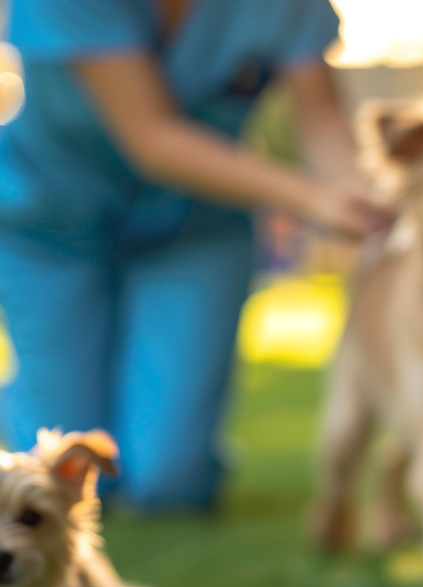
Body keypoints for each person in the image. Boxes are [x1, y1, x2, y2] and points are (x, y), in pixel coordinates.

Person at [0, 0, 389, 509]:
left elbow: (319, 118)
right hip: (51, 220)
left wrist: (357, 194)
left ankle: (177, 445)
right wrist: (312, 197)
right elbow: (151, 137)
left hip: (197, 226)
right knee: (67, 477)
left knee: (170, 485)